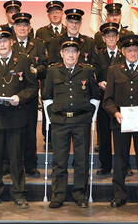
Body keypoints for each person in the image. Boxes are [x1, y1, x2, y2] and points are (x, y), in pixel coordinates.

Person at [0, 26, 38, 209]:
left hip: (15, 117)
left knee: (16, 158)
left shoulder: (23, 61)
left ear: (11, 42)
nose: (2, 44)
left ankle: (19, 193)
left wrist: (21, 98)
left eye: (5, 41)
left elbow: (33, 88)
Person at [103, 34, 138, 209]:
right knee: (120, 159)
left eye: (135, 49)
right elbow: (108, 99)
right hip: (121, 122)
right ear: (123, 51)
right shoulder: (114, 70)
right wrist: (115, 113)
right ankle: (119, 195)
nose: (133, 53)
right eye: (129, 50)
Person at [42, 36, 100, 208]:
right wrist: (53, 116)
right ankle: (58, 195)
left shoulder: (87, 71)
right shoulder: (53, 71)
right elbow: (46, 95)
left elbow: (95, 95)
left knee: (81, 160)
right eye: (67, 51)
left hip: (81, 121)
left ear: (78, 54)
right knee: (59, 160)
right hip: (60, 122)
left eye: (74, 52)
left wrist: (88, 115)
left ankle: (79, 194)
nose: (70, 55)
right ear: (61, 53)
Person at [12, 12, 47, 177]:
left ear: (29, 28)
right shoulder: (8, 43)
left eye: (25, 26)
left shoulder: (38, 44)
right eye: (19, 26)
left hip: (30, 94)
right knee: (11, 132)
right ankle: (10, 165)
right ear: (14, 28)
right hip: (11, 94)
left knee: (30, 132)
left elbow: (45, 66)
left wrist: (35, 70)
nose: (22, 28)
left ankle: (30, 165)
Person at [94, 22, 127, 177]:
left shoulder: (124, 55)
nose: (111, 38)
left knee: (122, 136)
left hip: (121, 100)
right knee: (104, 135)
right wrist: (99, 83)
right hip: (103, 100)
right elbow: (91, 75)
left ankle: (124, 166)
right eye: (108, 36)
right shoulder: (98, 55)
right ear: (103, 38)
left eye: (114, 36)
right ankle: (105, 166)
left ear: (118, 37)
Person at [35, 0, 66, 151]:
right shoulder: (41, 32)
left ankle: (62, 136)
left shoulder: (68, 31)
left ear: (62, 14)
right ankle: (48, 137)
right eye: (52, 12)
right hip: (48, 76)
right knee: (49, 105)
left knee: (62, 105)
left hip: (66, 76)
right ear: (48, 15)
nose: (55, 15)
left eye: (57, 12)